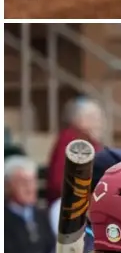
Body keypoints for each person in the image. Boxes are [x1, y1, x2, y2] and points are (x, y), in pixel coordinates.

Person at [46, 99, 105, 235]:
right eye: (93, 118)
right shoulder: (71, 139)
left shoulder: (93, 142)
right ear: (79, 120)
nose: (99, 123)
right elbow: (58, 181)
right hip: (68, 204)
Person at [5, 159, 54, 253]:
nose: (30, 188)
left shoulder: (41, 214)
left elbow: (51, 250)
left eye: (32, 182)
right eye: (23, 182)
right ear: (7, 186)